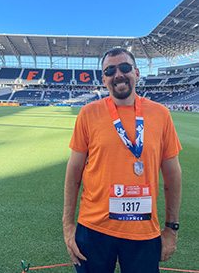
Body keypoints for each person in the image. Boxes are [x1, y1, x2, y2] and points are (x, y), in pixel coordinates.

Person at [62, 47, 182, 273]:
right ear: (104, 79)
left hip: (144, 232)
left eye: (125, 68)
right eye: (110, 70)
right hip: (93, 230)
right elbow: (74, 171)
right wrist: (68, 226)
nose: (118, 74)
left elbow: (173, 175)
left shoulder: (161, 114)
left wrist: (171, 229)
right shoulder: (88, 113)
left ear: (136, 73)